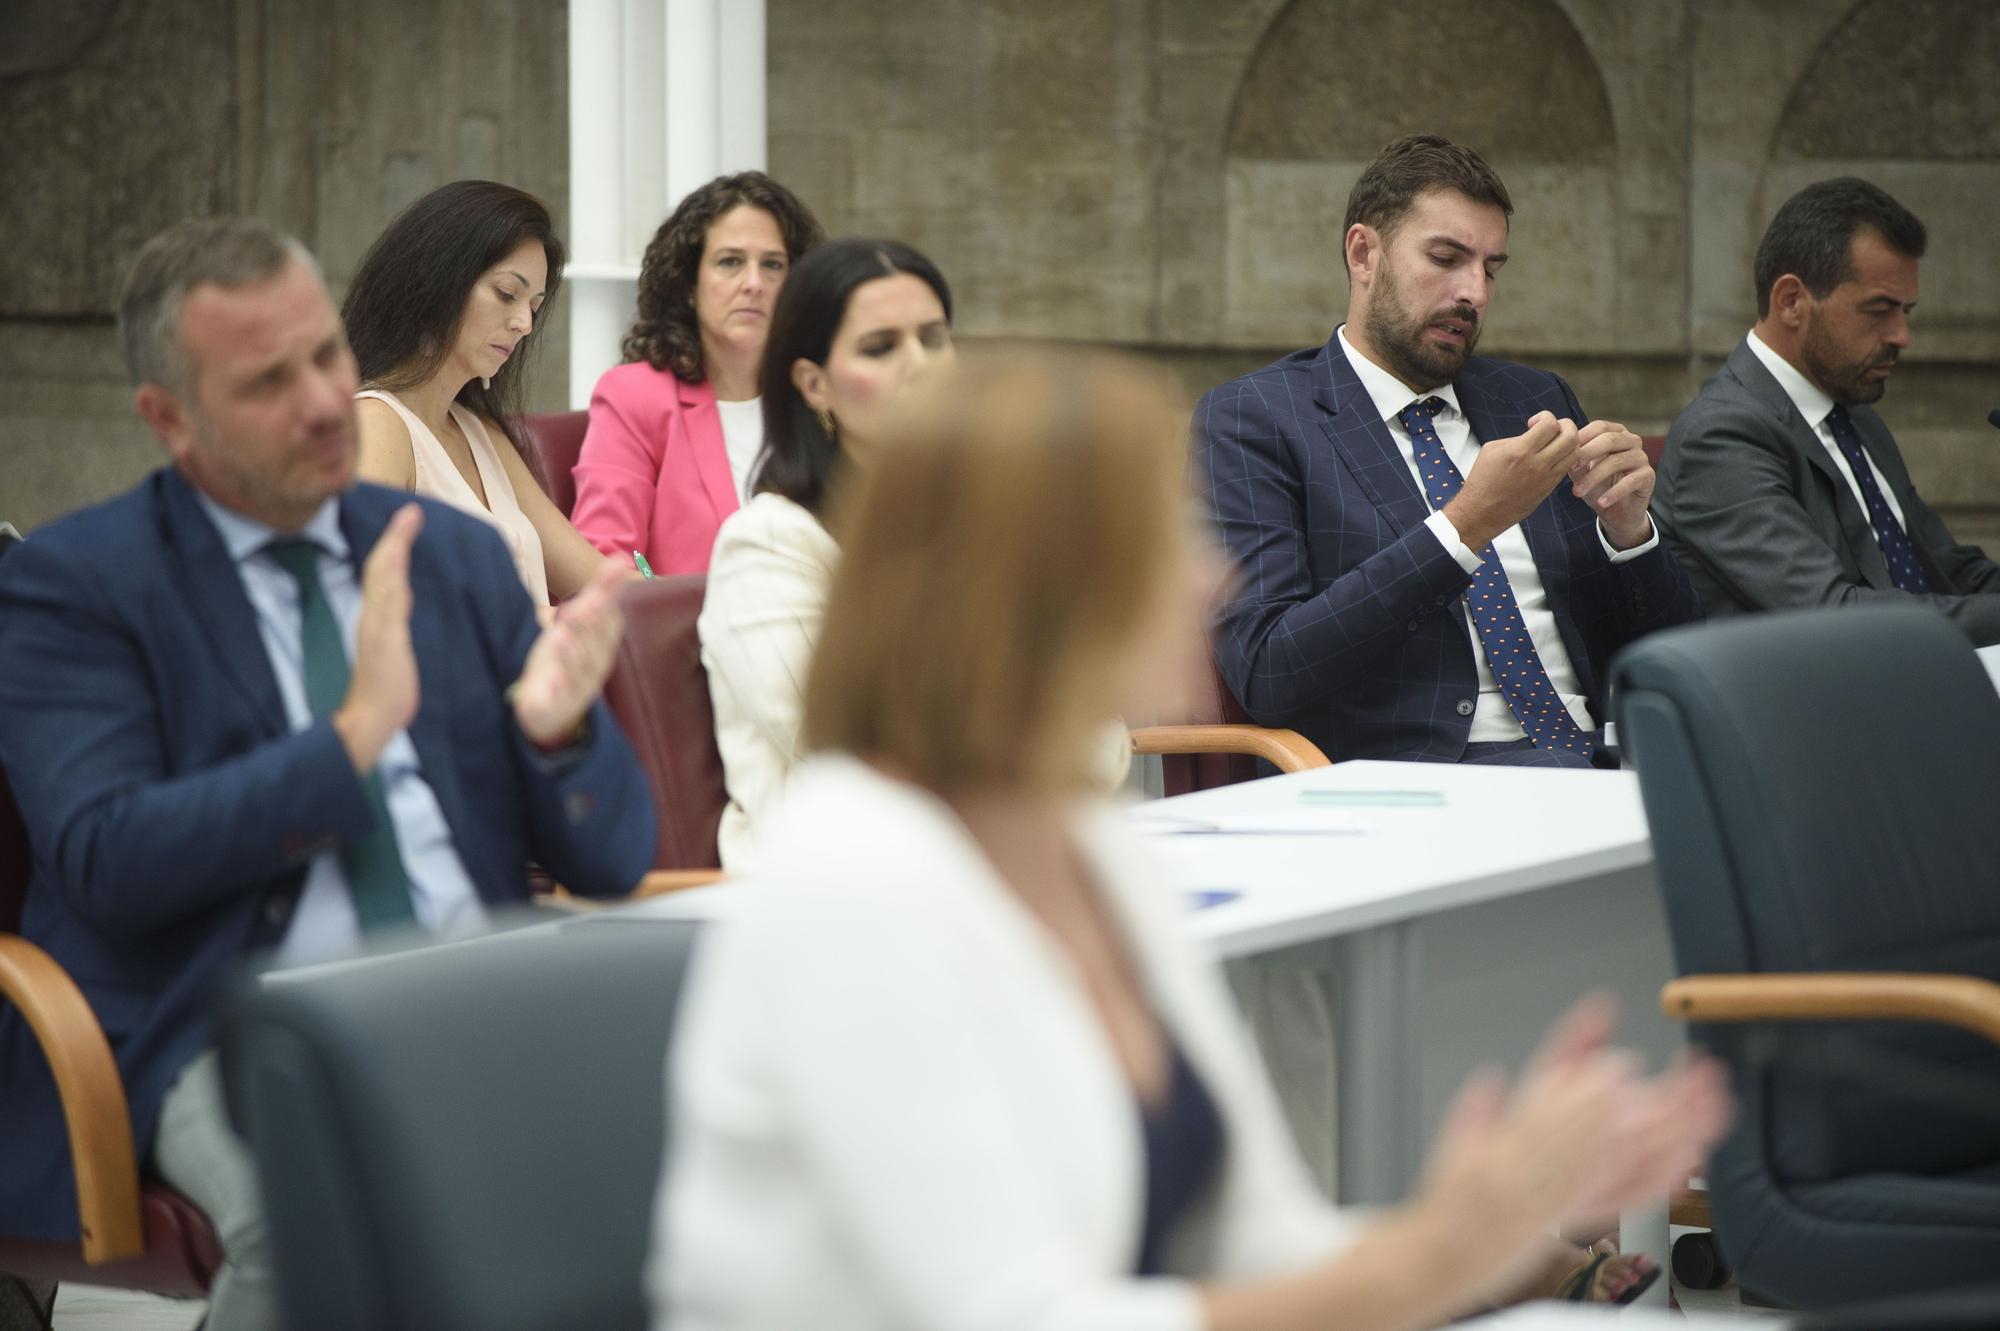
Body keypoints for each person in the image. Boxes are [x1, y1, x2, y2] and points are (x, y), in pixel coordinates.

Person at [650, 350, 1730, 1328]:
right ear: (1023, 594)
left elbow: (1256, 1240)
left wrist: (1495, 1236)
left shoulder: (1096, 846)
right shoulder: (854, 878)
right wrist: (1439, 1248)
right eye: (1162, 538)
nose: (1209, 576)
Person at [0, 218, 657, 1331]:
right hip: (222, 1006)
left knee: (678, 1161)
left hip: (468, 984)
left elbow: (614, 852)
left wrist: (560, 732)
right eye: (267, 381)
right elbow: (108, 860)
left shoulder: (441, 557)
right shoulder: (78, 587)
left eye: (324, 358)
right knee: (311, 1223)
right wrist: (342, 747)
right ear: (171, 419)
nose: (317, 402)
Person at [1195, 135, 1701, 768]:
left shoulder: (1533, 400)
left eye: (1491, 268)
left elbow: (1668, 653)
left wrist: (1630, 536)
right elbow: (1269, 669)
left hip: (1607, 759)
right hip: (1427, 778)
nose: (1475, 293)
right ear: (1363, 254)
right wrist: (1466, 526)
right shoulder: (1258, 418)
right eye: (1446, 258)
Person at [699, 237, 953, 869]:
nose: (920, 366)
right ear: (814, 385)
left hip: (981, 874)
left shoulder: (974, 529)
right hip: (832, 895)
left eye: (934, 338)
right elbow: (854, 747)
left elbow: (1097, 739)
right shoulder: (767, 545)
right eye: (881, 347)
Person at [1654, 178, 2000, 642]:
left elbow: (1947, 568)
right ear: (1792, 301)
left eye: (1907, 312)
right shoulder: (1720, 436)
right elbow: (1832, 614)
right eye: (1879, 310)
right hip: (1811, 703)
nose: (1902, 335)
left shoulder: (1854, 414)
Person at [344, 179, 609, 610]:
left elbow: (595, 577)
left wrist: (675, 597)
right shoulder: (376, 423)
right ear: (437, 283)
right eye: (507, 294)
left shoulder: (477, 430)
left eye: (535, 306)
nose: (524, 322)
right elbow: (364, 605)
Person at [570, 171, 824, 575]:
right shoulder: (635, 395)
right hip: (689, 634)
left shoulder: (821, 393)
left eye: (773, 264)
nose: (754, 283)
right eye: (731, 262)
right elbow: (605, 558)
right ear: (688, 283)